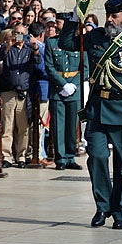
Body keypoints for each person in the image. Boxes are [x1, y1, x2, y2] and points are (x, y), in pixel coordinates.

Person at [60, 0, 122, 231]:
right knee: (97, 158)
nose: (110, 20)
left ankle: (121, 212)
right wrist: (75, 16)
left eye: (115, 16)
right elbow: (66, 43)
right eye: (108, 15)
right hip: (98, 111)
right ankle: (102, 206)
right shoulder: (95, 38)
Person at [45, 17, 84, 170]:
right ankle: (60, 158)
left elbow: (84, 67)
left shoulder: (79, 42)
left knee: (72, 125)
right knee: (58, 126)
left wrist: (73, 85)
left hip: (74, 90)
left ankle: (70, 156)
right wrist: (62, 85)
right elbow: (49, 66)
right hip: (58, 90)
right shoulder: (51, 42)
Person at [0, 23, 40, 168]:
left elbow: (38, 62)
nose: (19, 36)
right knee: (7, 125)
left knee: (23, 127)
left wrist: (35, 47)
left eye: (22, 33)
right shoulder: (7, 48)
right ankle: (6, 156)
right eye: (17, 33)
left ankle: (21, 156)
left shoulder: (29, 50)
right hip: (8, 92)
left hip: (24, 92)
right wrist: (9, 45)